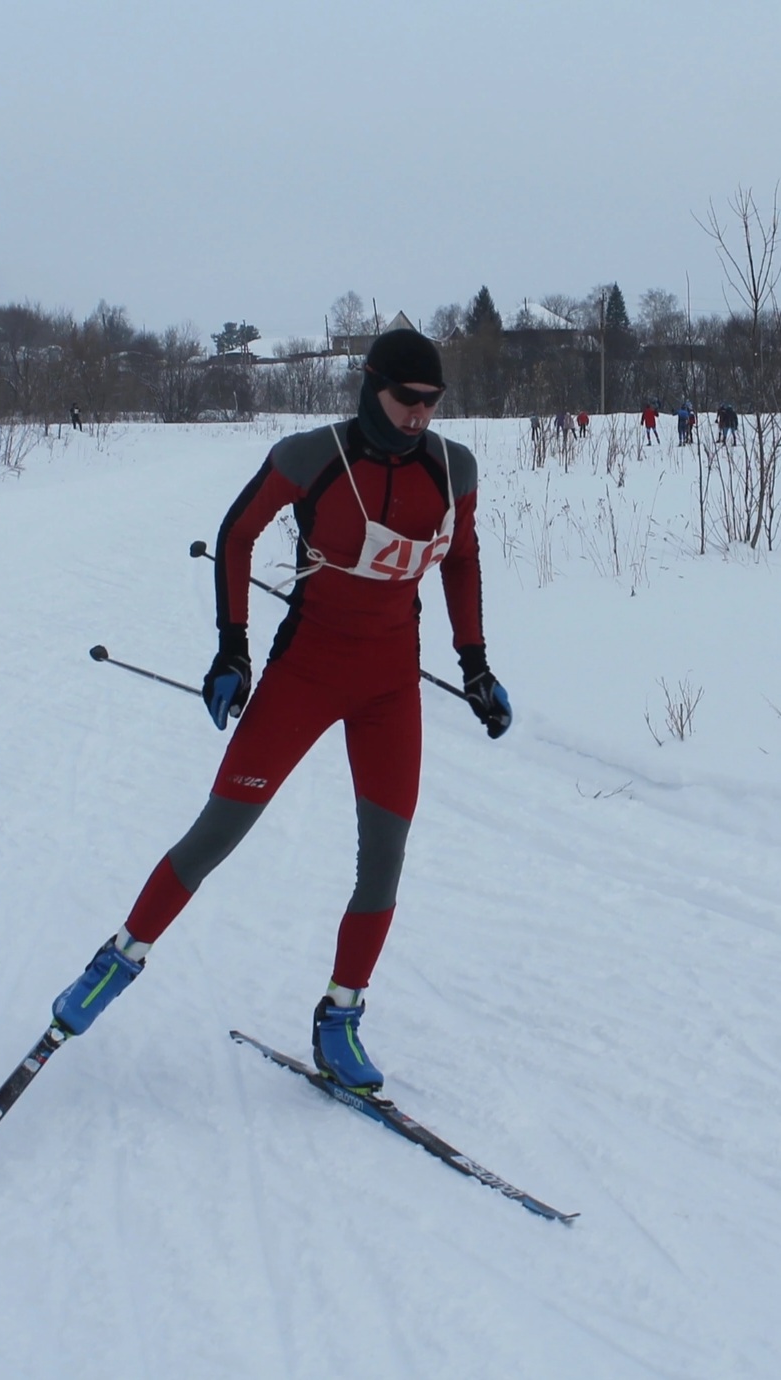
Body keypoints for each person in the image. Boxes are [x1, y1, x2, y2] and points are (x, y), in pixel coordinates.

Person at [50, 329, 512, 1092]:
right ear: (371, 387)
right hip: (305, 676)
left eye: (432, 403)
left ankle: (340, 1019)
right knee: (216, 835)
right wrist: (233, 650)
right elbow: (237, 534)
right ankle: (113, 966)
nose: (419, 417)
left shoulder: (451, 468)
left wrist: (476, 666)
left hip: (390, 689)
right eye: (406, 401)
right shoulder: (313, 455)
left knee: (385, 856)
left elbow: (461, 558)